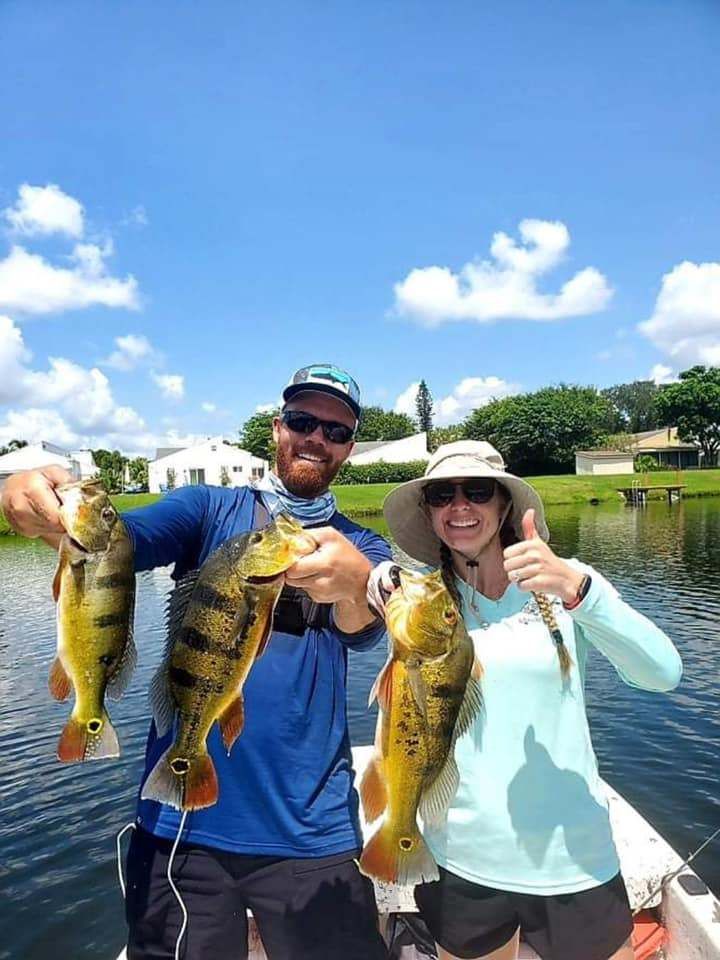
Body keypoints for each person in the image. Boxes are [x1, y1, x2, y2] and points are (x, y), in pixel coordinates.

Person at [2, 363, 391, 960]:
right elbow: (117, 541)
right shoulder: (209, 510)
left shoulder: (365, 547)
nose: (316, 437)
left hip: (312, 829)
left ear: (349, 449)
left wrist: (356, 585)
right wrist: (43, 503)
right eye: (302, 421)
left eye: (335, 431)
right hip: (184, 824)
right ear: (276, 428)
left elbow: (367, 630)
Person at [369, 440, 682, 960]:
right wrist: (376, 579)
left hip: (574, 856)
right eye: (442, 495)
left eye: (477, 491)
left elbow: (663, 673)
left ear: (504, 505)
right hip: (462, 858)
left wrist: (579, 591)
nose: (460, 506)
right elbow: (356, 591)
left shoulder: (567, 583)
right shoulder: (421, 603)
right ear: (428, 512)